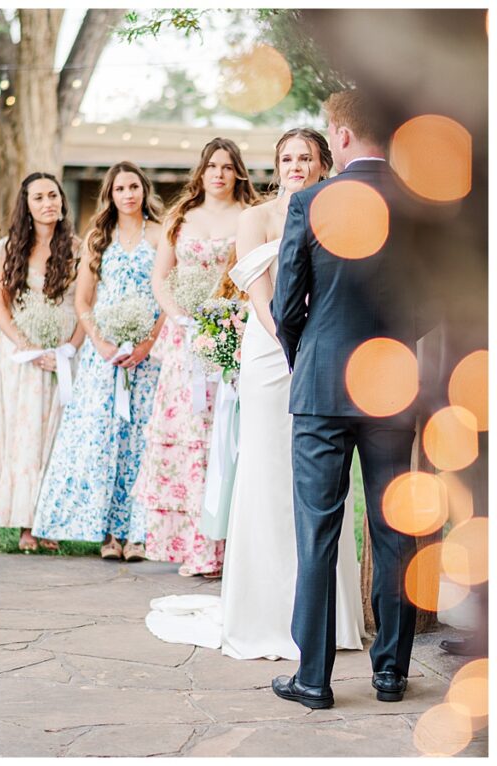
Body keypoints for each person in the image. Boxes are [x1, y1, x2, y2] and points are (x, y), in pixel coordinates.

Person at [145, 129, 366, 660]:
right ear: (276, 165)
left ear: (323, 163)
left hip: (327, 354)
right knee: (267, 473)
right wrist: (295, 342)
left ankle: (325, 618)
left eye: (305, 157)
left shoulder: (342, 210)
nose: (295, 165)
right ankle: (264, 612)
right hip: (271, 352)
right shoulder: (256, 219)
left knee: (320, 479)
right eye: (286, 158)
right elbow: (258, 292)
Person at [271, 90, 432, 709]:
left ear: (337, 136)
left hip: (320, 387)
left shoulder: (310, 202)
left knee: (317, 531)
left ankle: (313, 679)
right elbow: (430, 306)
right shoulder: (419, 208)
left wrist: (307, 359)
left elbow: (288, 307)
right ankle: (390, 673)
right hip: (393, 386)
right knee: (394, 529)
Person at [31, 161, 163, 562]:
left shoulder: (159, 235)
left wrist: (146, 343)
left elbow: (164, 298)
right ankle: (106, 533)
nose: (128, 194)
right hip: (102, 356)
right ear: (110, 194)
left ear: (144, 191)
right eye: (120, 188)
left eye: (134, 187)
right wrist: (102, 344)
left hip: (147, 355)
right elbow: (84, 301)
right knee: (102, 440)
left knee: (141, 440)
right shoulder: (97, 239)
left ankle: (137, 533)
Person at [137, 138, 257, 577]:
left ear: (237, 172)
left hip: (228, 332)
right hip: (183, 340)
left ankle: (228, 549)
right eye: (212, 167)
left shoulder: (250, 216)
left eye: (227, 167)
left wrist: (228, 318)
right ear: (201, 172)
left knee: (223, 439)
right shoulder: (181, 217)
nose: (220, 174)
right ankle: (192, 548)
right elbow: (161, 278)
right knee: (187, 437)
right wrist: (178, 317)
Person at [0, 172, 82, 552]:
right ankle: (26, 524)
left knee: (58, 438)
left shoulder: (79, 249)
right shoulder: (6, 250)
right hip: (21, 361)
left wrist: (68, 350)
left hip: (64, 358)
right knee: (25, 439)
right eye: (40, 197)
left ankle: (52, 522)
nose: (49, 203)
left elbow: (84, 306)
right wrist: (29, 347)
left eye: (54, 196)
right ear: (26, 206)